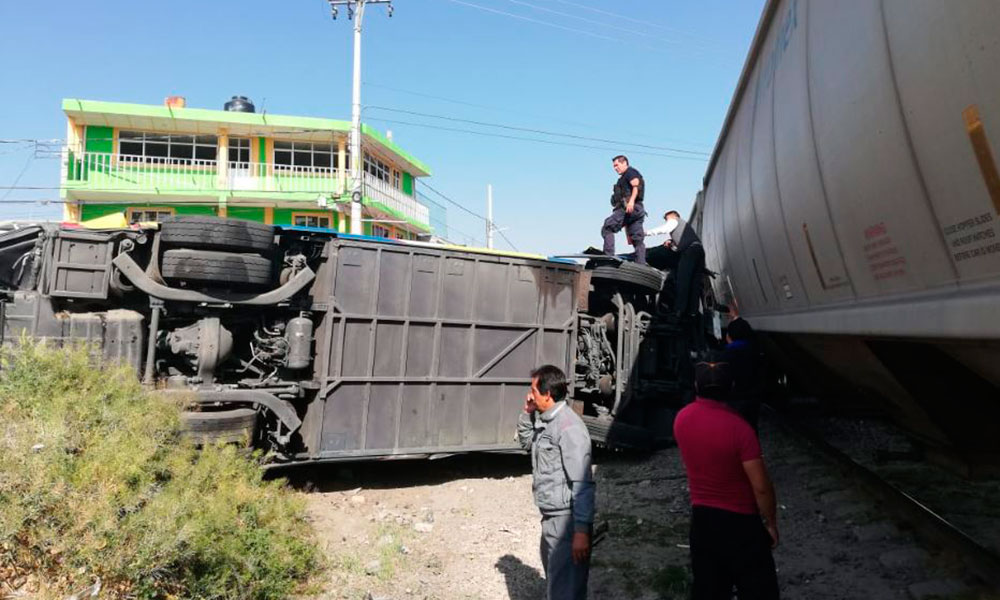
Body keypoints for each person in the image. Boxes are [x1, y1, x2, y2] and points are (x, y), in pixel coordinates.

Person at [674, 358, 780, 600]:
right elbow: (761, 487)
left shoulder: (681, 419)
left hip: (702, 521)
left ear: (696, 386)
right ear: (730, 387)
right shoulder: (740, 429)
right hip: (741, 523)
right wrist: (771, 522)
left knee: (709, 589)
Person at [517, 364, 595, 600]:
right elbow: (526, 443)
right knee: (558, 585)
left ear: (548, 394)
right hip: (552, 519)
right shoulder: (547, 421)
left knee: (564, 592)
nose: (530, 394)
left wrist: (581, 531)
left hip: (566, 523)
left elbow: (582, 482)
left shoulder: (569, 428)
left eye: (534, 390)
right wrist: (527, 413)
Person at [646, 210, 704, 318]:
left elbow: (664, 229)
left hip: (689, 251)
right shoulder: (686, 228)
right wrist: (672, 243)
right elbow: (678, 247)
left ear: (673, 216)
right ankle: (692, 312)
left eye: (666, 219)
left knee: (683, 281)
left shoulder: (674, 220)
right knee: (694, 284)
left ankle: (678, 311)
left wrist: (646, 233)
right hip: (699, 251)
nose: (666, 221)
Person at [602, 155, 647, 265]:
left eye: (617, 165)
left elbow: (636, 185)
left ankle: (608, 256)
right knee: (637, 238)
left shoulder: (630, 172)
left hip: (628, 207)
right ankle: (641, 263)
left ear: (624, 163)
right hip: (638, 209)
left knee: (607, 227)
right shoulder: (622, 178)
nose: (615, 168)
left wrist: (631, 201)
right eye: (614, 166)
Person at [723, 317, 766, 431]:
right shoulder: (755, 350)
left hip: (735, 397)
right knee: (752, 427)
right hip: (753, 396)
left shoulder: (727, 354)